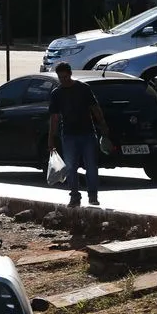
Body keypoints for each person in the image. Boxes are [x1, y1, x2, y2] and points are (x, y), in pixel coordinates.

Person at [48, 61, 110, 207]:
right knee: (71, 167)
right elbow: (54, 118)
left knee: (91, 166)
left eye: (65, 77)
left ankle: (93, 196)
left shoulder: (83, 89)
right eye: (60, 78)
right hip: (68, 135)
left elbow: (95, 108)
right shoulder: (57, 94)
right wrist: (51, 138)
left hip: (87, 133)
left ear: (70, 74)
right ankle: (74, 196)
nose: (63, 80)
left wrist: (103, 125)